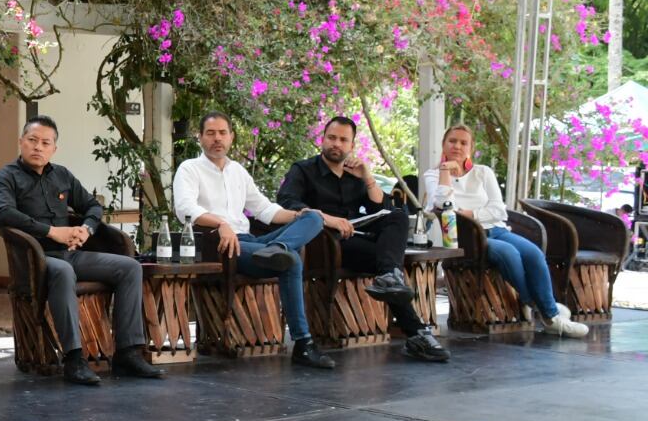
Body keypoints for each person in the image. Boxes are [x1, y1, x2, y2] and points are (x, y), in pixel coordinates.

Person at [0, 115, 157, 386]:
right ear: (21, 142)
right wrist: (51, 231)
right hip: (36, 259)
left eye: (46, 142)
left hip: (71, 253)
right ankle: (74, 358)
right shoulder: (6, 177)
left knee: (130, 267)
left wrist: (86, 230)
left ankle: (127, 353)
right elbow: (4, 213)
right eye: (32, 140)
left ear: (54, 148)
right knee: (64, 271)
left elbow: (92, 206)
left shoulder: (63, 175)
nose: (38, 147)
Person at [277, 116, 451, 362]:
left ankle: (391, 277)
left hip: (357, 238)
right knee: (387, 262)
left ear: (352, 145)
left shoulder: (354, 175)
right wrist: (327, 219)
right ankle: (416, 331)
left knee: (397, 216)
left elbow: (380, 206)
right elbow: (288, 202)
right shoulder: (304, 170)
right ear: (323, 139)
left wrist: (366, 176)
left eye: (343, 140)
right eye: (332, 138)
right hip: (324, 243)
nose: (336, 144)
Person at [173, 112, 336, 369]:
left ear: (231, 137)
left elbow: (265, 210)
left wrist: (297, 216)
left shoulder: (237, 171)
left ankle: (278, 247)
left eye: (223, 133)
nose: (217, 139)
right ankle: (303, 343)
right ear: (200, 138)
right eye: (211, 133)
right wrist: (221, 224)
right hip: (218, 244)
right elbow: (184, 208)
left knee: (313, 218)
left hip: (250, 243)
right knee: (291, 260)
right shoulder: (190, 169)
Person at [424, 124, 587, 338]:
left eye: (464, 142)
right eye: (452, 141)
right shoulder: (433, 175)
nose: (457, 146)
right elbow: (444, 205)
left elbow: (498, 210)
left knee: (534, 253)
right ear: (444, 145)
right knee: (509, 253)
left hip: (497, 231)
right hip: (465, 239)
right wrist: (445, 170)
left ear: (471, 148)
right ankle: (550, 314)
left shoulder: (483, 173)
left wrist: (468, 213)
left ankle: (545, 311)